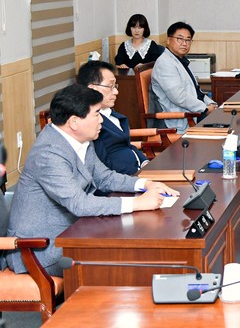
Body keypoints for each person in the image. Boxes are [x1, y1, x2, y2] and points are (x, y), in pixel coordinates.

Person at [2, 84, 178, 276]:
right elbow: (80, 204)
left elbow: (103, 177)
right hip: (41, 249)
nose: (101, 119)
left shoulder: (80, 139)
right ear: (74, 122)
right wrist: (138, 203)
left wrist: (145, 184)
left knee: (137, 242)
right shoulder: (48, 154)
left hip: (75, 231)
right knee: (126, 260)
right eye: (96, 114)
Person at [77, 60, 149, 175]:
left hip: (140, 171)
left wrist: (145, 162)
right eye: (110, 86)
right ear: (92, 89)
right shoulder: (89, 123)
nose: (116, 91)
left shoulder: (112, 114)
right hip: (123, 178)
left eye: (115, 86)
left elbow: (127, 145)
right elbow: (102, 165)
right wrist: (138, 175)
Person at [150, 22, 217, 133]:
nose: (184, 43)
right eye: (180, 39)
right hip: (181, 119)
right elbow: (178, 96)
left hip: (194, 112)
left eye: (188, 40)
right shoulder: (165, 63)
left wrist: (211, 104)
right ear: (168, 40)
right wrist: (205, 108)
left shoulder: (181, 60)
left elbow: (197, 91)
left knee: (226, 120)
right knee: (224, 127)